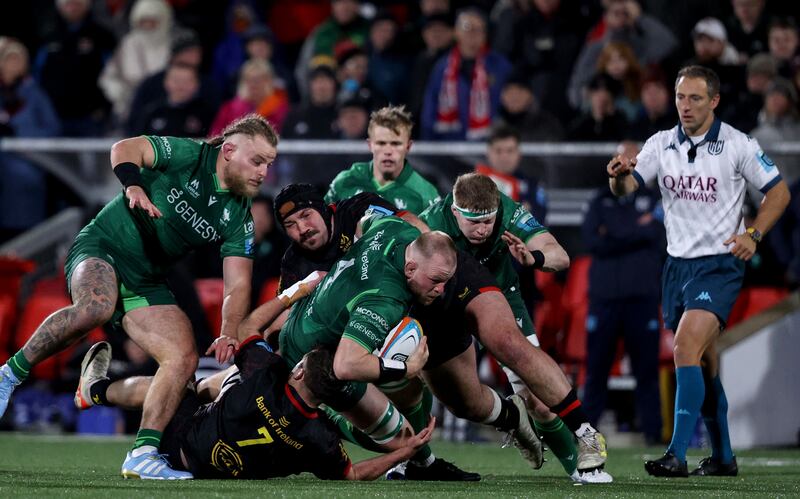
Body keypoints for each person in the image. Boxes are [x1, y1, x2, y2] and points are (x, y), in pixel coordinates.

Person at [260, 184, 612, 483]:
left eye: (305, 216)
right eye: (290, 224)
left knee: (508, 344)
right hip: (408, 298)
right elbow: (292, 318)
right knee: (464, 402)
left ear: (324, 208)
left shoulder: (363, 211)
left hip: (438, 271)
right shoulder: (299, 265)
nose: (301, 228)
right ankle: (502, 421)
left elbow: (407, 224)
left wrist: (429, 262)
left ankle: (584, 432)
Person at [0, 114, 279, 480]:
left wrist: (228, 327)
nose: (263, 173)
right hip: (103, 247)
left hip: (146, 280)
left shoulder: (238, 216)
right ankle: (8, 376)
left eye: (269, 165)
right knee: (96, 308)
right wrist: (132, 185)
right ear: (228, 151)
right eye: (257, 161)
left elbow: (238, 285)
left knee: (183, 360)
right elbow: (124, 149)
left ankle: (142, 454)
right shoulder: (188, 155)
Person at [607, 65, 790, 477]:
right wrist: (618, 178)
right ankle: (724, 458)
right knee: (704, 363)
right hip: (676, 267)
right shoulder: (660, 143)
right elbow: (628, 187)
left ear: (714, 101)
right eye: (679, 98)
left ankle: (677, 453)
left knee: (685, 348)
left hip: (720, 265)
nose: (684, 106)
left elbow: (778, 191)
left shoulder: (738, 144)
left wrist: (755, 234)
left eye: (694, 98)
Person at [419, 172, 611, 478]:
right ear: (455, 212)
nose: (482, 230)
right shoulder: (430, 224)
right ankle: (512, 421)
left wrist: (533, 258)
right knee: (461, 402)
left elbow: (559, 255)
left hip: (500, 300)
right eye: (473, 222)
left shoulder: (508, 210)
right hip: (448, 307)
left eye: (488, 221)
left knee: (540, 401)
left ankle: (581, 470)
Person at [74, 335, 433, 480]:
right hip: (207, 474)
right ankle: (201, 390)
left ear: (298, 370)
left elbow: (248, 334)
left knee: (179, 383)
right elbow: (354, 473)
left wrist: (300, 290)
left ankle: (97, 390)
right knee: (214, 390)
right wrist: (401, 450)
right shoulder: (320, 437)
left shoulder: (267, 377)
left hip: (180, 443)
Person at [582, 140, 665, 445]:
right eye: (623, 157)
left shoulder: (656, 197)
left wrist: (614, 233)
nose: (628, 162)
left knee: (647, 372)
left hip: (642, 297)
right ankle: (586, 435)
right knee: (596, 370)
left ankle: (654, 436)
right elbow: (591, 240)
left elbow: (656, 233)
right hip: (604, 298)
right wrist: (636, 230)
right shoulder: (600, 198)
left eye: (635, 157)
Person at [326, 105, 441, 214]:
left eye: (396, 144)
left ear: (408, 147)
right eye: (381, 143)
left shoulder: (425, 195)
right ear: (370, 145)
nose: (388, 151)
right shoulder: (345, 182)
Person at [420, 8, 511, 141]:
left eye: (478, 29)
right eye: (467, 27)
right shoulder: (442, 67)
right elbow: (430, 107)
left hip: (489, 146)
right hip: (449, 145)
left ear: (485, 34)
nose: (472, 34)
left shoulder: (500, 66)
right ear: (456, 32)